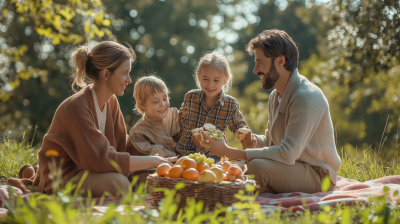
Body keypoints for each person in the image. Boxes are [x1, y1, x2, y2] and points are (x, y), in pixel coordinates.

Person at [199, 29, 341, 194]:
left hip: (318, 175)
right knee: (239, 167)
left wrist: (229, 152)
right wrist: (251, 139)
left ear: (280, 61)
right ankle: (263, 189)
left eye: (260, 63)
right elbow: (271, 141)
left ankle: (261, 188)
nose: (255, 70)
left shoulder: (306, 97)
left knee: (255, 166)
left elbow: (287, 153)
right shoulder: (276, 95)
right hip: (293, 166)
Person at [30, 41, 176, 197]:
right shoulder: (76, 108)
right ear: (106, 74)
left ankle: (30, 170)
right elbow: (101, 159)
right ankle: (36, 176)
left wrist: (156, 152)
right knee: (120, 184)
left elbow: (122, 147)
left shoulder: (111, 102)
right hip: (63, 175)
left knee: (145, 179)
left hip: (91, 170)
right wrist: (153, 161)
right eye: (125, 73)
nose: (129, 80)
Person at [176, 51, 249, 157]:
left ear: (225, 80)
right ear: (199, 76)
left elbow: (239, 127)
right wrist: (174, 140)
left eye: (216, 80)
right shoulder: (190, 97)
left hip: (213, 155)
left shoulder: (230, 104)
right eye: (205, 79)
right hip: (184, 152)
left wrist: (249, 140)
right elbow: (180, 123)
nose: (210, 84)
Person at [128, 75, 181, 157]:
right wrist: (181, 157)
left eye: (165, 99)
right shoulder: (139, 133)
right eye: (156, 102)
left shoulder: (173, 116)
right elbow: (157, 156)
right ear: (142, 105)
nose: (163, 105)